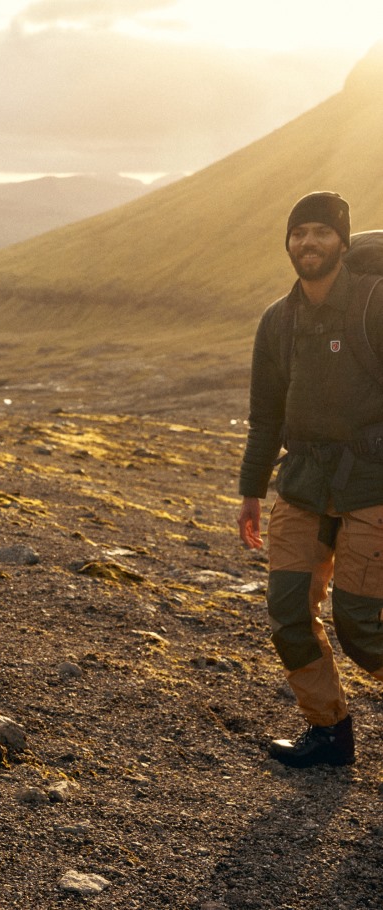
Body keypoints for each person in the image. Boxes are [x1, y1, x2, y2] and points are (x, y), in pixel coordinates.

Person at [238, 190, 383, 769]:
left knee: (360, 625)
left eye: (322, 232)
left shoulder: (376, 304)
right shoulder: (277, 319)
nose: (309, 243)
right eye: (299, 233)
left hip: (372, 485)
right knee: (288, 612)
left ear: (343, 243)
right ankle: (329, 732)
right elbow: (265, 414)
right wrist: (250, 491)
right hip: (300, 485)